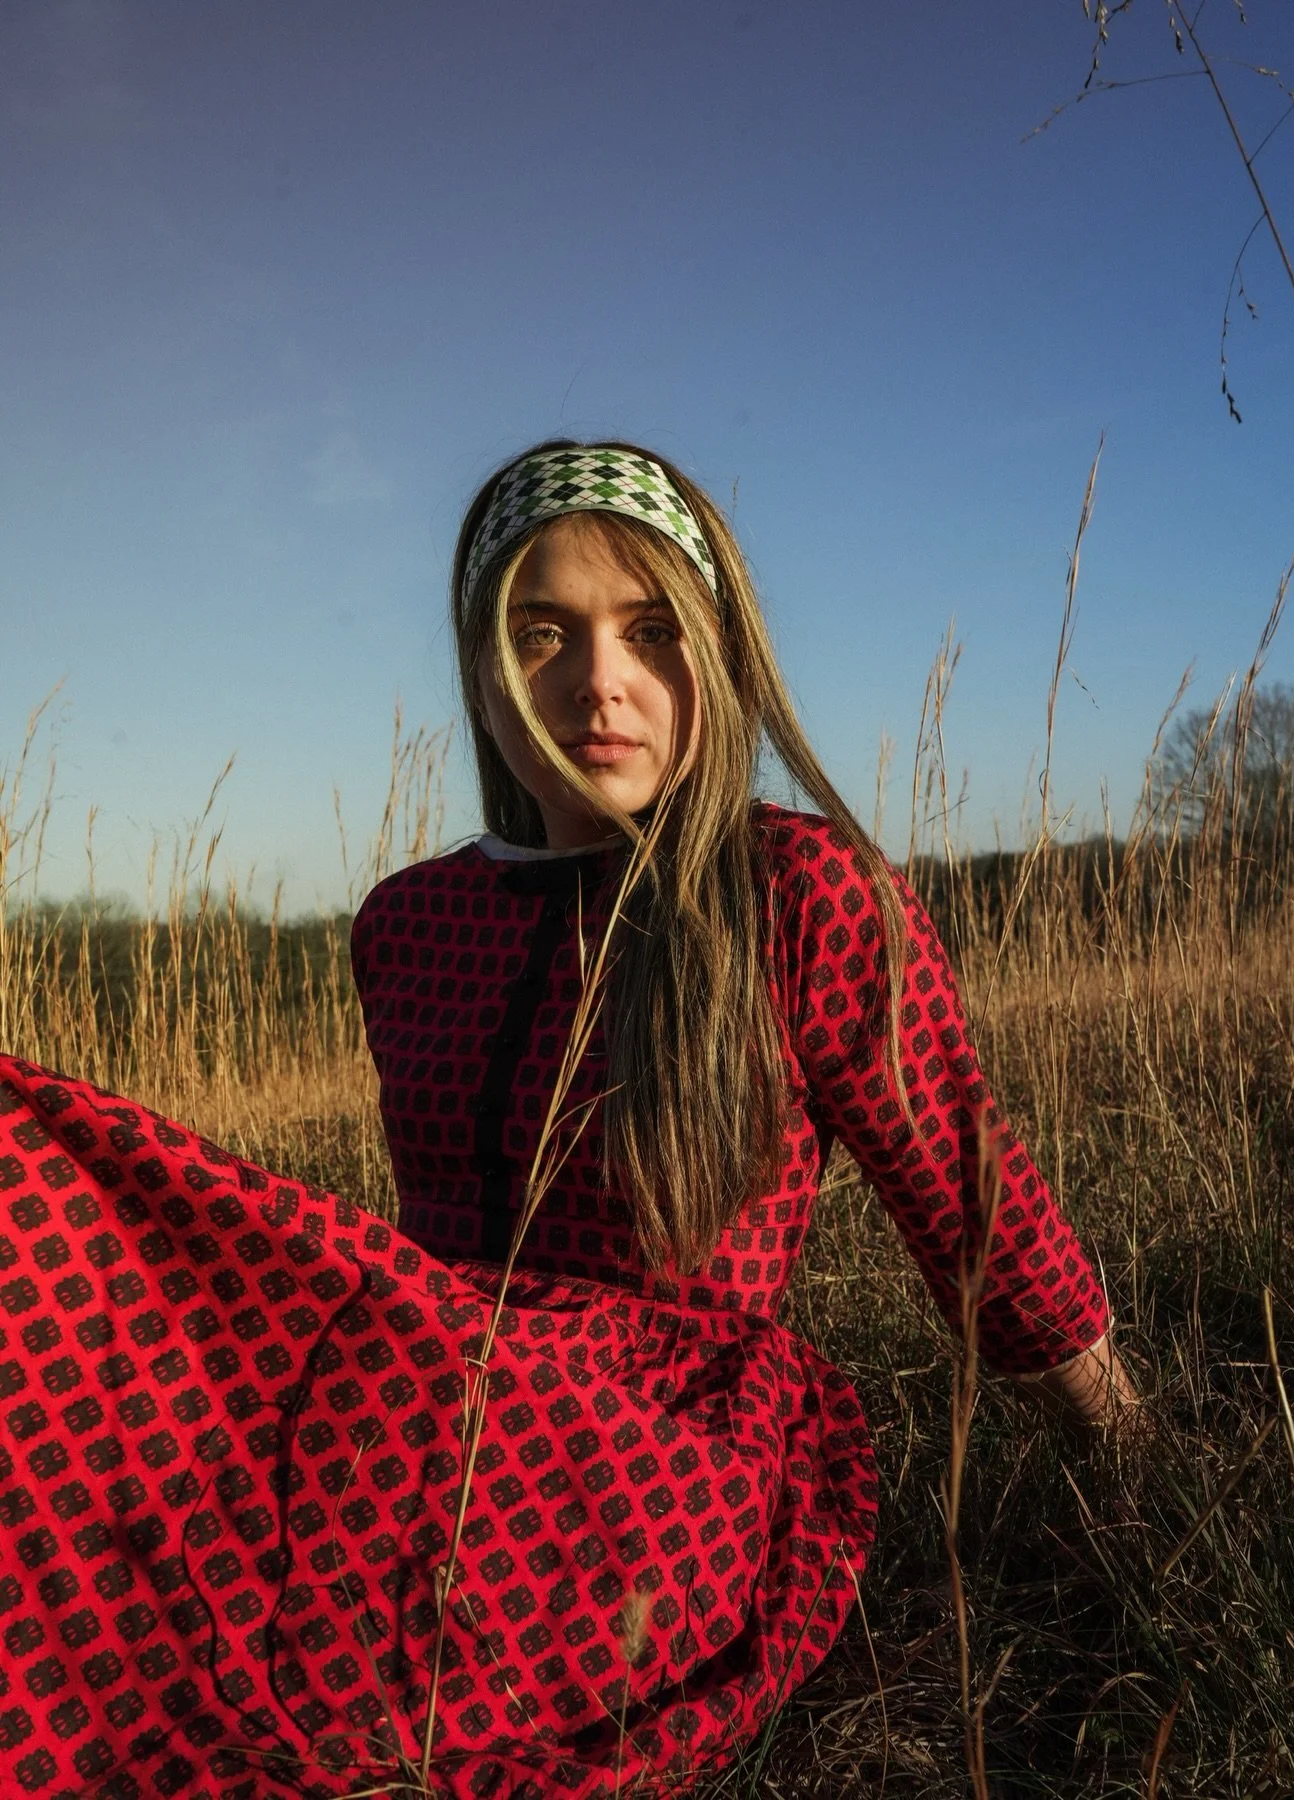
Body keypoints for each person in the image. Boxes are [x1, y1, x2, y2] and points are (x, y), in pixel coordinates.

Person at [0, 441, 1137, 1800]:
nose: (597, 679)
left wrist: (1133, 1455)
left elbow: (973, 1202)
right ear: (483, 677)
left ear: (718, 661)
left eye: (650, 632)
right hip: (424, 1399)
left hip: (659, 1461)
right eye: (542, 633)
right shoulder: (407, 922)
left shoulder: (802, 893)